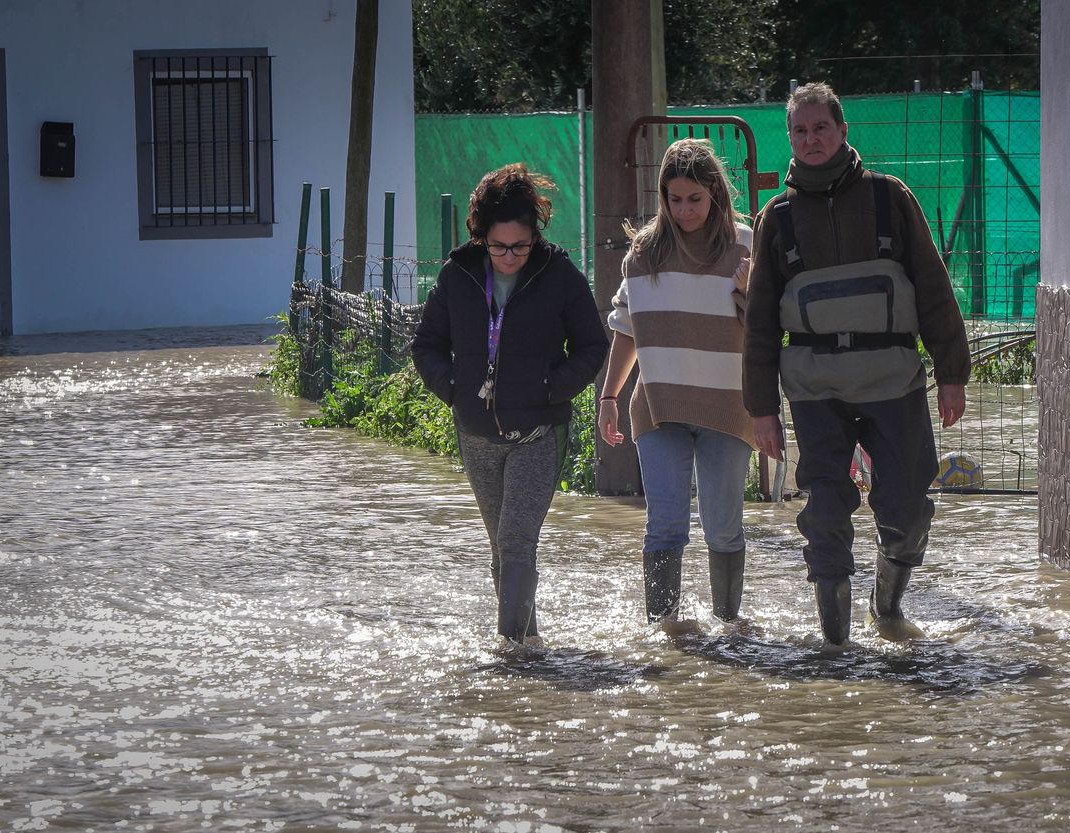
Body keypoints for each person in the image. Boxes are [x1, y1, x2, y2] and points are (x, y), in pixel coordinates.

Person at [742, 83, 970, 648]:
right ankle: (835, 648)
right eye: (801, 130)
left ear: (843, 131)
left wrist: (952, 373)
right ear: (790, 138)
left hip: (893, 379)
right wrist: (761, 410)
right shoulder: (777, 218)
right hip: (814, 387)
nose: (812, 138)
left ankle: (886, 608)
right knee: (824, 511)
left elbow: (934, 290)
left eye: (822, 127)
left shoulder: (891, 198)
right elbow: (761, 322)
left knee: (907, 507)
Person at [411, 163, 609, 647]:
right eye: (498, 246)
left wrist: (547, 389)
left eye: (520, 246)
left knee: (517, 542)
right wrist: (455, 390)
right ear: (481, 237)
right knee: (501, 550)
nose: (509, 256)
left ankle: (512, 656)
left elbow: (592, 347)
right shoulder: (457, 276)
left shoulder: (559, 274)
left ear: (535, 237)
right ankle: (528, 644)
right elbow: (426, 346)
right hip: (476, 432)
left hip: (538, 433)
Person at [598, 138, 756, 628]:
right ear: (662, 197)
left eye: (695, 198)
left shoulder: (746, 245)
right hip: (659, 406)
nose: (684, 209)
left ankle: (730, 629)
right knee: (664, 525)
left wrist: (749, 294)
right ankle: (665, 633)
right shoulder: (643, 253)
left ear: (715, 194)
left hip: (729, 408)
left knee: (723, 528)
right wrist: (609, 395)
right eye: (674, 198)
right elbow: (628, 329)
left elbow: (767, 330)